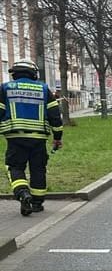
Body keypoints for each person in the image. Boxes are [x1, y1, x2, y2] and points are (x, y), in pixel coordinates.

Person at [0, 59, 63, 216]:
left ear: (14, 74)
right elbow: (55, 115)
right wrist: (57, 137)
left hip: (15, 137)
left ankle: (22, 193)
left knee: (14, 167)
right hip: (38, 138)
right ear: (34, 74)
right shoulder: (43, 89)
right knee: (38, 169)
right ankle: (36, 203)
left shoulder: (5, 88)